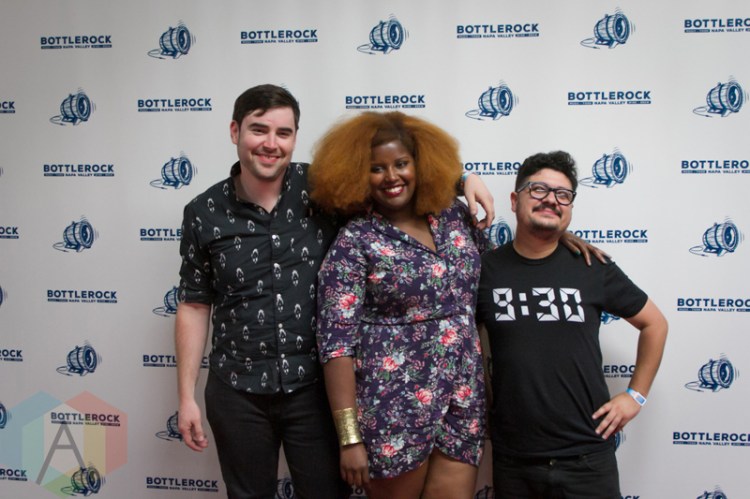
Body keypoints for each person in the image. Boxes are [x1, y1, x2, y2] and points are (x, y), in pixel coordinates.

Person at [174, 85, 496, 499]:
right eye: (259, 130)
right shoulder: (203, 212)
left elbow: (400, 170)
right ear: (235, 131)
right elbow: (194, 304)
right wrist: (186, 396)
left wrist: (464, 178)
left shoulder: (319, 190)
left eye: (283, 132)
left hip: (312, 391)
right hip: (238, 388)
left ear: (295, 137)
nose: (271, 143)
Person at [309, 115, 601, 499]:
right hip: (393, 409)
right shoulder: (354, 241)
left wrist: (553, 235)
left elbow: (502, 269)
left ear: (420, 164)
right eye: (376, 168)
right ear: (358, 174)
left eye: (401, 163)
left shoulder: (453, 216)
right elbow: (336, 347)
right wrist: (349, 438)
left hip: (463, 403)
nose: (391, 176)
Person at [475, 151, 668, 499]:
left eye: (563, 195)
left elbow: (655, 324)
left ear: (570, 208)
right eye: (538, 189)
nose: (551, 199)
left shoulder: (592, 266)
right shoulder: (484, 271)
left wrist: (635, 396)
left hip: (588, 457)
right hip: (515, 460)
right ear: (515, 200)